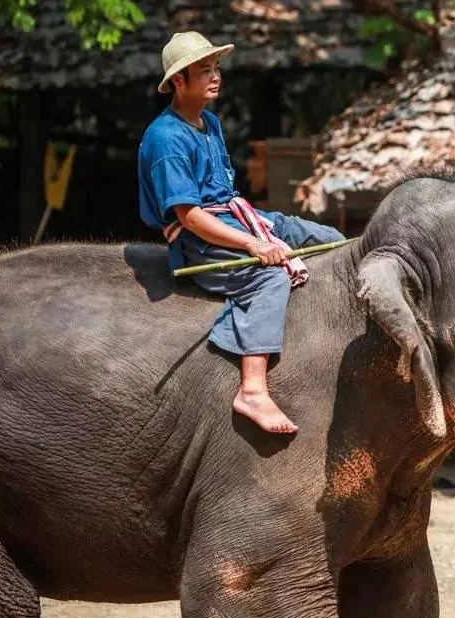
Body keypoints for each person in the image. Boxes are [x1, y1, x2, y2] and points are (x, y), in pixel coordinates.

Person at [137, 31, 345, 435]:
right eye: (204, 71)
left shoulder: (209, 122)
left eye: (216, 68)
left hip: (237, 217)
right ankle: (252, 388)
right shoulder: (166, 138)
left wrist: (261, 229)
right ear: (178, 81)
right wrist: (252, 243)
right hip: (201, 241)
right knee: (268, 275)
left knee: (314, 234)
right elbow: (191, 216)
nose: (215, 77)